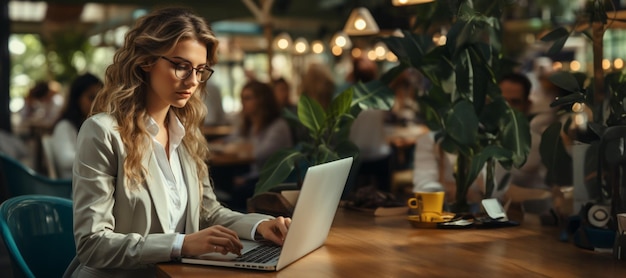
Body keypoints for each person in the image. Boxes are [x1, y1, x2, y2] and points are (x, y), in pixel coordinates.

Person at [64, 7, 290, 277]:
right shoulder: (102, 132)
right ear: (146, 61)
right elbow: (92, 245)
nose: (193, 81)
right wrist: (181, 244)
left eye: (200, 70)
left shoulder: (187, 133)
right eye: (181, 66)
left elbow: (208, 212)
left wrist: (259, 226)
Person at [221, 80, 293, 211]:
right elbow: (232, 140)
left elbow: (258, 154)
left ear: (262, 100)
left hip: (272, 180)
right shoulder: (250, 124)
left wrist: (239, 147)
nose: (243, 102)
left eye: (248, 98)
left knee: (231, 186)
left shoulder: (278, 126)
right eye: (242, 98)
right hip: (254, 174)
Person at [50, 73, 103, 179]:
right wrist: (102, 158)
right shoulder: (64, 126)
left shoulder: (99, 125)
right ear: (77, 99)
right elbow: (65, 160)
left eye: (101, 98)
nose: (98, 103)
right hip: (73, 188)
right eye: (92, 97)